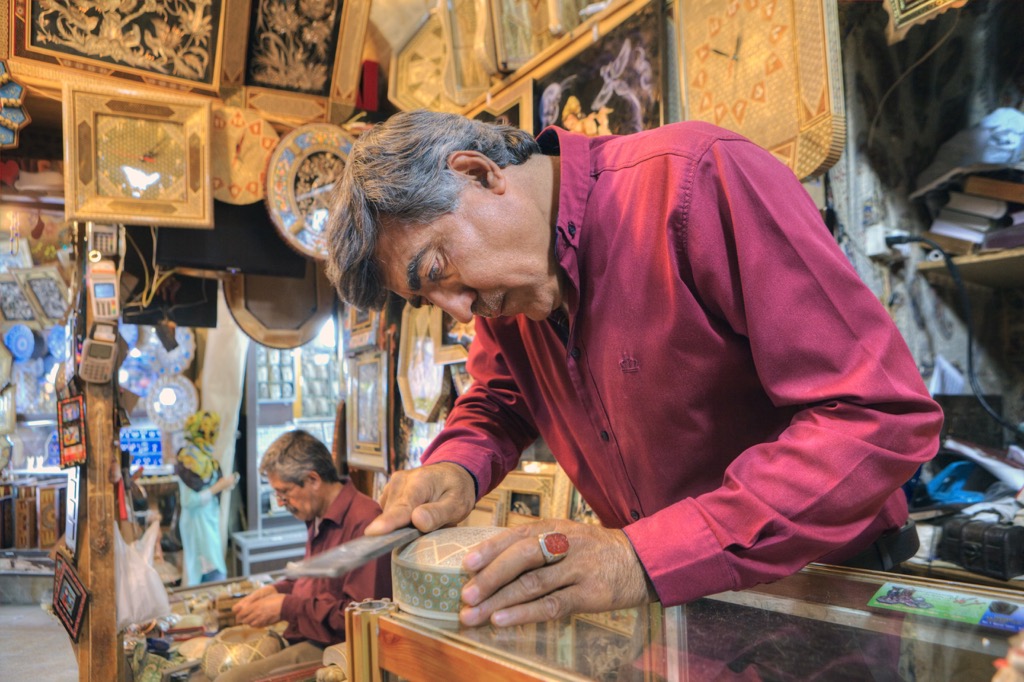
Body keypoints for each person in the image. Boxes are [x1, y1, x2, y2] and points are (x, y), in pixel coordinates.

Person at [324, 110, 943, 629]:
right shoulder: (505, 293)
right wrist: (454, 465)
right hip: (681, 604)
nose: (457, 310)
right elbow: (499, 398)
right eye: (429, 299)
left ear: (479, 174)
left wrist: (639, 558)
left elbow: (879, 417)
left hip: (824, 594)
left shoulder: (698, 180)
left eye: (437, 271)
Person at [223, 430, 391, 681]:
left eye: (284, 492)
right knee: (218, 652)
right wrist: (279, 591)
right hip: (307, 632)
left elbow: (359, 620)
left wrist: (286, 607)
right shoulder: (318, 515)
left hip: (336, 647)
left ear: (313, 479)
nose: (280, 502)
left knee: (230, 679)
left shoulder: (365, 521)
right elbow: (320, 585)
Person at [175, 410, 238, 586]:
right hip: (197, 524)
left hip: (206, 521)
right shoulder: (190, 459)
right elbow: (188, 501)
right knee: (207, 573)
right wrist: (219, 486)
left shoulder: (202, 457)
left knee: (212, 569)